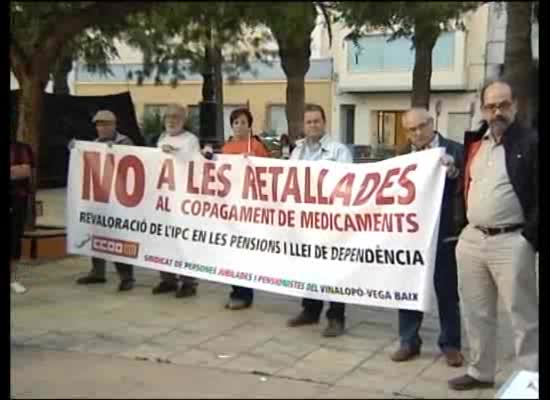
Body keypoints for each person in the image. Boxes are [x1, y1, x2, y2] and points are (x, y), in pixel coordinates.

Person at [448, 80, 538, 391]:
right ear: (483, 108)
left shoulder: (530, 142)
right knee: (476, 311)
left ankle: (530, 379)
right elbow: (465, 185)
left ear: (514, 105)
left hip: (511, 241)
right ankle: (480, 372)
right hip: (473, 240)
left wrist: (529, 237)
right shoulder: (475, 142)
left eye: (503, 104)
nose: (497, 111)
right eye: (491, 106)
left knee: (522, 315)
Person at [391, 108, 465, 367]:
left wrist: (453, 171)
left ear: (432, 123)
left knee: (447, 292)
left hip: (445, 233)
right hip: (412, 236)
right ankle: (408, 341)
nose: (418, 132)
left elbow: (466, 185)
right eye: (411, 129)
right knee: (408, 290)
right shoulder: (402, 154)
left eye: (422, 126)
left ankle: (451, 345)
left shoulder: (455, 150)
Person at [286, 104, 353, 338]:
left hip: (331, 220)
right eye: (309, 122)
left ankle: (336, 317)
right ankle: (310, 310)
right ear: (303, 125)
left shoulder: (338, 150)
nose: (313, 125)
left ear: (324, 123)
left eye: (317, 121)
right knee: (309, 266)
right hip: (305, 220)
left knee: (334, 269)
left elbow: (348, 182)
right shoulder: (297, 151)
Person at [75, 110, 136, 291]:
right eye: (98, 125)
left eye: (104, 125)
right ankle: (97, 272)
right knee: (96, 233)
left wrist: (114, 152)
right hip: (100, 198)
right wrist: (76, 150)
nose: (100, 128)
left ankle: (127, 277)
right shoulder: (94, 145)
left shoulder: (125, 142)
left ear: (113, 125)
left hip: (119, 199)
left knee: (118, 238)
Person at [149, 104, 201, 298]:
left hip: (183, 200)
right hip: (163, 198)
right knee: (164, 240)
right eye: (168, 117)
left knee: (184, 242)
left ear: (183, 120)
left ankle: (189, 282)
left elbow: (196, 164)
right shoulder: (162, 138)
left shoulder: (190, 140)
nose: (171, 121)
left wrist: (177, 154)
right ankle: (168, 279)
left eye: (176, 117)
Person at [221, 108, 270, 310]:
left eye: (242, 122)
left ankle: (245, 294)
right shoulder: (226, 147)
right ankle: (235, 290)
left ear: (249, 125)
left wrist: (256, 162)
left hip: (249, 207)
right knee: (231, 251)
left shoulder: (256, 146)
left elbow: (270, 172)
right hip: (232, 206)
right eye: (235, 122)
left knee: (244, 252)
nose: (239, 126)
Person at [10, 135, 35, 294]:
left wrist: (15, 171)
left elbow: (24, 171)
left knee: (13, 239)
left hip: (16, 199)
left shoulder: (20, 148)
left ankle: (13, 279)